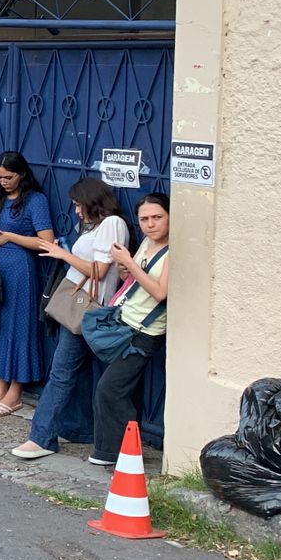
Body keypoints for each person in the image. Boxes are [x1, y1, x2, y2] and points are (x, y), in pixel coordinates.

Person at [12, 178, 129, 459]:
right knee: (79, 373)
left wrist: (61, 253)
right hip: (82, 308)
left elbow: (99, 271)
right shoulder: (98, 226)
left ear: (92, 201)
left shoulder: (112, 223)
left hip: (87, 309)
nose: (76, 211)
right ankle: (79, 429)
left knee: (61, 373)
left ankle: (41, 437)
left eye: (78, 204)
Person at [0, 151, 55, 417]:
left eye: (8, 177)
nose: (3, 181)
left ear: (22, 174)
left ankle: (15, 392)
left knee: (17, 328)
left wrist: (9, 237)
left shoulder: (35, 201)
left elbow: (46, 242)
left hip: (19, 270)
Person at [89, 193, 170, 467]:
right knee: (125, 389)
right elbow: (132, 281)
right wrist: (124, 268)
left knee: (109, 389)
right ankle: (126, 451)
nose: (150, 225)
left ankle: (115, 453)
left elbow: (160, 292)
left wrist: (131, 264)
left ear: (170, 217)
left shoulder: (172, 252)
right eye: (144, 219)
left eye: (157, 217)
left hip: (145, 333)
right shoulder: (147, 243)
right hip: (126, 322)